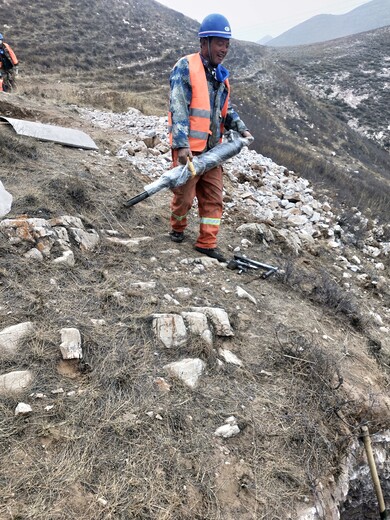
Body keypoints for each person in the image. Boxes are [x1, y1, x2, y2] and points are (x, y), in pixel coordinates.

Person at [168, 13, 253, 263]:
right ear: (204, 42)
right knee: (184, 197)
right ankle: (178, 228)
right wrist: (181, 145)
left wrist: (241, 128)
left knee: (214, 198)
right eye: (219, 43)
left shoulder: (221, 76)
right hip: (190, 150)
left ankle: (207, 243)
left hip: (213, 151)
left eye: (226, 44)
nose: (224, 49)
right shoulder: (186, 66)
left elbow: (225, 110)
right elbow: (179, 106)